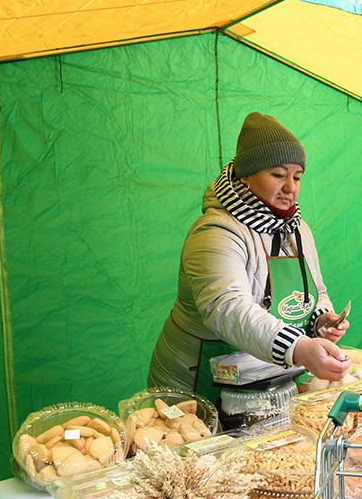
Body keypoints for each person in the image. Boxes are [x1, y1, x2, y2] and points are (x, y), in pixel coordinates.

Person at [148, 112, 351, 402]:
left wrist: (321, 320)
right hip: (196, 379)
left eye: (297, 177)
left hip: (260, 376)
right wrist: (298, 347)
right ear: (245, 176)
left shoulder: (298, 229)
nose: (290, 187)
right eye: (278, 175)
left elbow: (315, 290)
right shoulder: (215, 230)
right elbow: (227, 307)